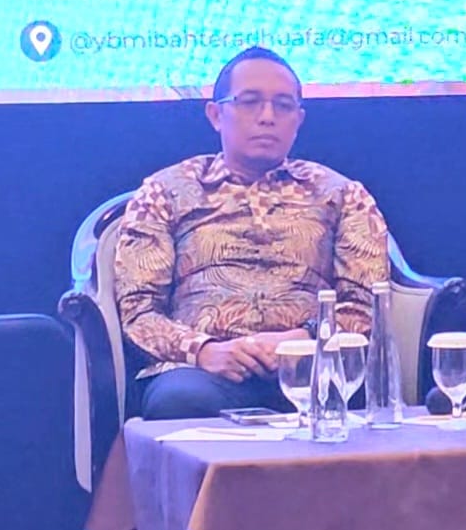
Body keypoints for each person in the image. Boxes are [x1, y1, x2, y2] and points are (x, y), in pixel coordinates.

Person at [114, 46, 388, 420]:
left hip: (312, 363)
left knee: (353, 396)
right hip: (204, 371)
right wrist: (204, 350)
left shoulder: (342, 194)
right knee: (180, 400)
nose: (267, 117)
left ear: (299, 119)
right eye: (250, 102)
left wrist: (305, 339)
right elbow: (139, 312)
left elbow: (368, 306)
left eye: (283, 106)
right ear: (215, 115)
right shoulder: (165, 192)